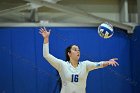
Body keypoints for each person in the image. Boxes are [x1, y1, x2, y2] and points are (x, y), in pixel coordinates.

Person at [39, 27, 119, 93]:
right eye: (75, 49)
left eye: (78, 50)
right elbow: (46, 55)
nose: (78, 51)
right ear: (69, 53)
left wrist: (108, 62)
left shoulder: (85, 65)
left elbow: (99, 64)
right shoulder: (62, 65)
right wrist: (46, 38)